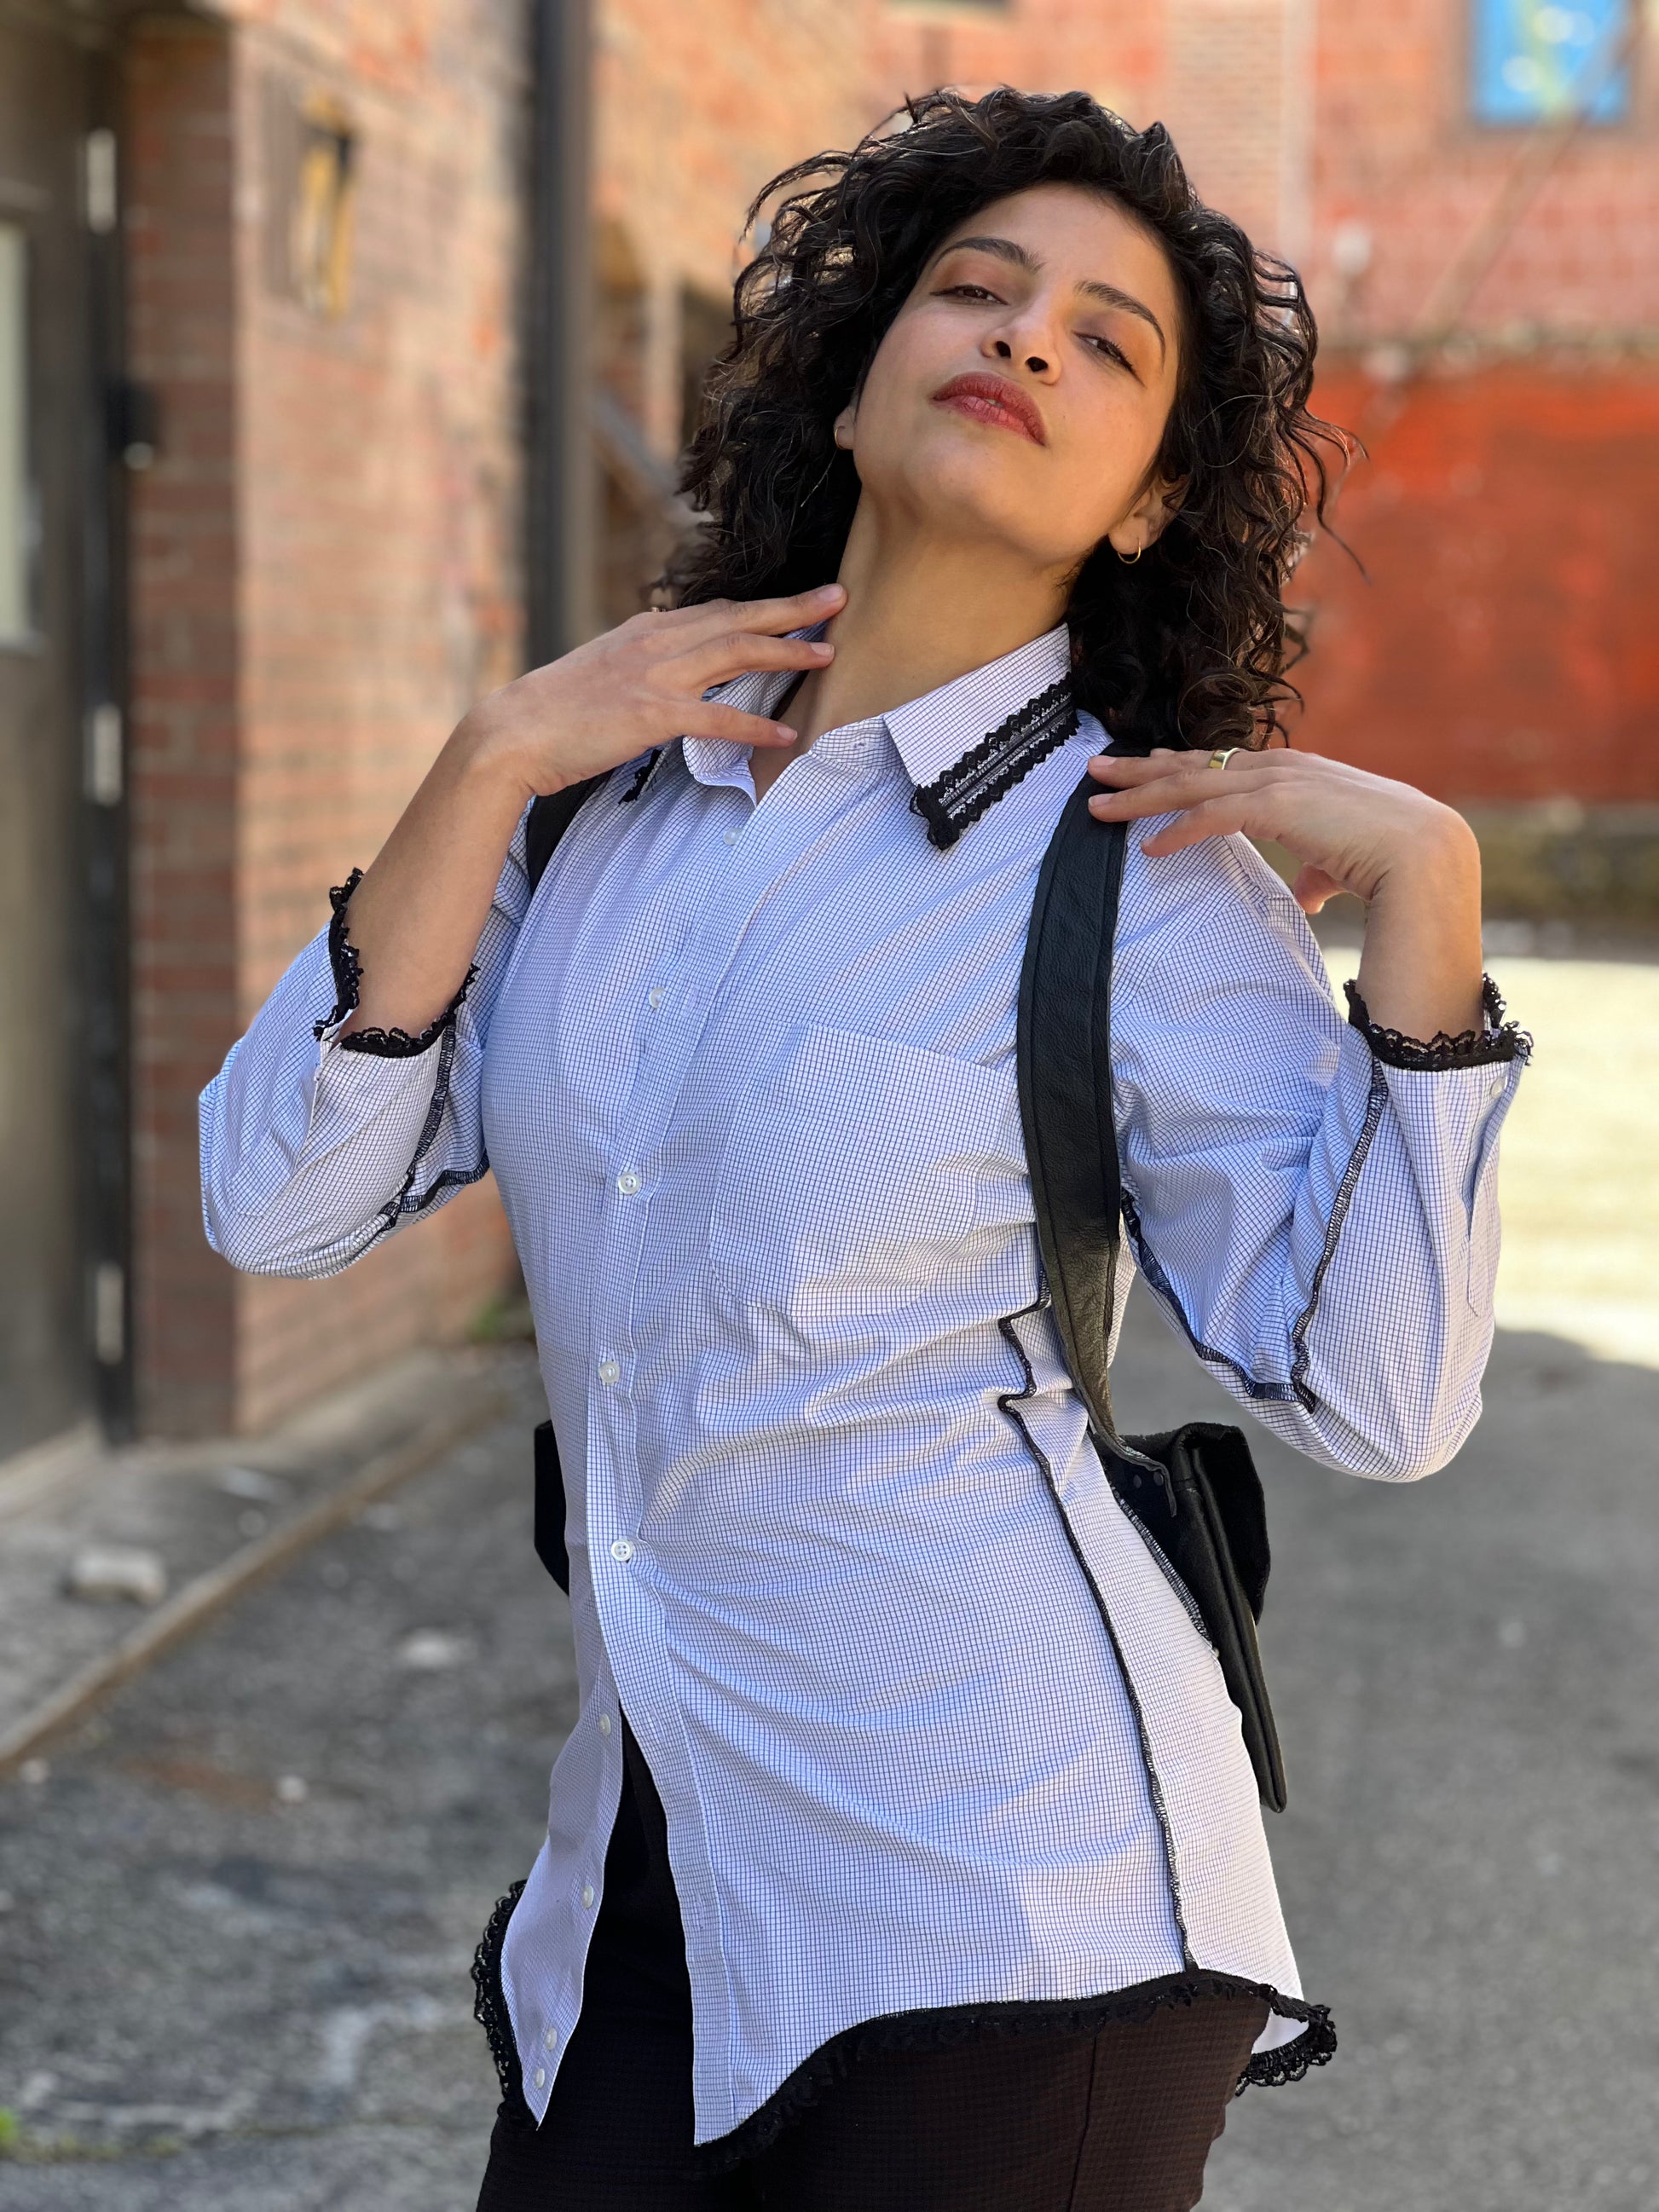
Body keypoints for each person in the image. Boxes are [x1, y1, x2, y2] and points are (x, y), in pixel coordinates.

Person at [199, 87, 1529, 2212]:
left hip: (1019, 1911)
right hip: (650, 1877)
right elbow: (278, 1197)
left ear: (1144, 502)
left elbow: (1378, 1394)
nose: (1023, 339)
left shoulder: (1140, 870)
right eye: (975, 290)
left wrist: (1430, 918)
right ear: (849, 381)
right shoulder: (599, 799)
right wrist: (493, 753)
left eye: (1104, 342)